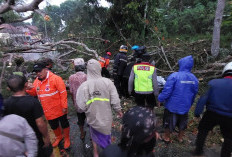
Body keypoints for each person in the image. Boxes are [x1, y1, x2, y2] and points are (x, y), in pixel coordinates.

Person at [76, 59, 123, 157]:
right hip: (105, 118)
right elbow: (115, 100)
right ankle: (107, 153)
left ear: (87, 70)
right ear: (99, 68)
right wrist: (119, 111)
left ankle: (95, 153)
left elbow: (80, 105)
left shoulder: (84, 86)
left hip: (92, 117)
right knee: (106, 138)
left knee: (93, 134)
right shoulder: (108, 82)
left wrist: (87, 109)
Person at [4, 75, 53, 157]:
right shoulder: (33, 102)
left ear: (9, 88)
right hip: (36, 139)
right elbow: (40, 123)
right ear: (26, 84)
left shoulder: (6, 104)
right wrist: (46, 137)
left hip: (18, 141)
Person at [26, 61, 70, 149]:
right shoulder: (36, 81)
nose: (38, 73)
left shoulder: (56, 79)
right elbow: (35, 92)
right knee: (54, 125)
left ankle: (67, 138)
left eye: (39, 71)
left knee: (64, 123)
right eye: (36, 72)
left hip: (60, 109)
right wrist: (28, 89)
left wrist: (64, 106)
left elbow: (63, 93)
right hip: (48, 110)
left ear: (45, 69)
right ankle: (59, 137)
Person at [193, 62, 232, 157]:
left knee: (203, 130)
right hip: (230, 117)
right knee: (229, 138)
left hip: (212, 113)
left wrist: (197, 112)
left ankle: (198, 151)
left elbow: (203, 99)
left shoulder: (213, 82)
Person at [158, 55, 198, 143]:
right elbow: (194, 94)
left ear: (181, 64)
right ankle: (180, 138)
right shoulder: (194, 79)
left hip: (172, 106)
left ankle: (166, 137)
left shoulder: (174, 76)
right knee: (182, 123)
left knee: (168, 122)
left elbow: (166, 91)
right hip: (185, 106)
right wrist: (190, 104)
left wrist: (160, 99)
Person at [69, 58, 87, 140]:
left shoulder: (71, 77)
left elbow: (71, 92)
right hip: (88, 103)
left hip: (78, 103)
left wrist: (74, 102)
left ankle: (82, 134)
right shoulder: (87, 76)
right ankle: (92, 136)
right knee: (90, 119)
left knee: (80, 120)